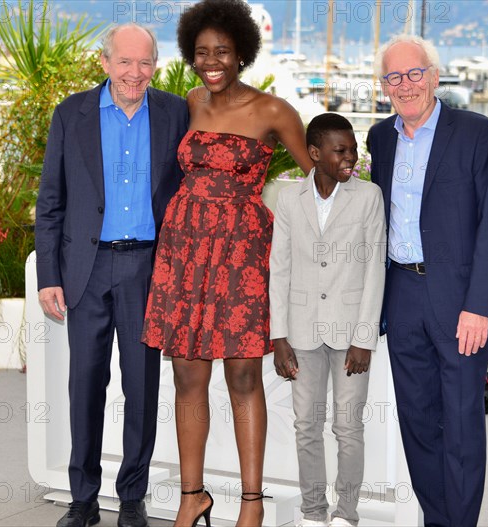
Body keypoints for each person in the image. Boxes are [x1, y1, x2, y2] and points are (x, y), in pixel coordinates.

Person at [141, 1, 312, 526]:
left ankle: (252, 504)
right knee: (187, 377)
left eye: (222, 52)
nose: (210, 62)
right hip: (185, 250)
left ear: (242, 54)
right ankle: (193, 496)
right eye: (201, 53)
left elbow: (316, 181)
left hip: (241, 256)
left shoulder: (275, 111)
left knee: (243, 377)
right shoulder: (189, 101)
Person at [35, 24, 188, 527]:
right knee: (86, 384)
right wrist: (48, 275)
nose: (135, 73)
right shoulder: (70, 114)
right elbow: (50, 203)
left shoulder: (174, 112)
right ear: (104, 63)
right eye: (125, 62)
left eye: (145, 63)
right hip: (87, 268)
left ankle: (131, 499)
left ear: (155, 66)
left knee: (142, 389)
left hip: (148, 268)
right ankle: (83, 498)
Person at [367, 34, 488, 526]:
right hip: (402, 296)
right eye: (393, 77)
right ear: (383, 85)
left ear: (434, 76)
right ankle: (436, 517)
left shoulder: (477, 131)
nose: (404, 85)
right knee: (419, 421)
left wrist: (480, 306)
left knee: (464, 422)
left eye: (413, 73)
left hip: (459, 302)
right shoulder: (380, 139)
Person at [270, 113, 386, 527]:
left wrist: (364, 337)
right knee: (306, 426)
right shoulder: (289, 198)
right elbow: (278, 267)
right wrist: (278, 335)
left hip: (351, 330)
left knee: (348, 429)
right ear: (315, 154)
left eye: (353, 149)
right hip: (301, 332)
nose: (350, 157)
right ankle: (314, 513)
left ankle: (347, 515)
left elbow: (375, 269)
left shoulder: (369, 196)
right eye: (341, 150)